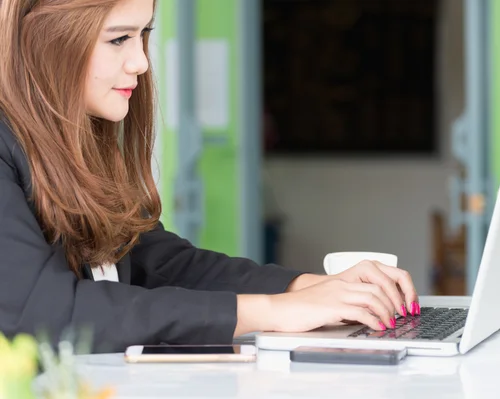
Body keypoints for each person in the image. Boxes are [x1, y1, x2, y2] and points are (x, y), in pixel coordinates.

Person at [0, 0, 420, 353]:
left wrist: (307, 287)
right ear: (43, 39)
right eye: (118, 39)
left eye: (143, 33)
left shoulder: (78, 141)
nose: (141, 62)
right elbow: (47, 315)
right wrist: (273, 313)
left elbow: (162, 263)